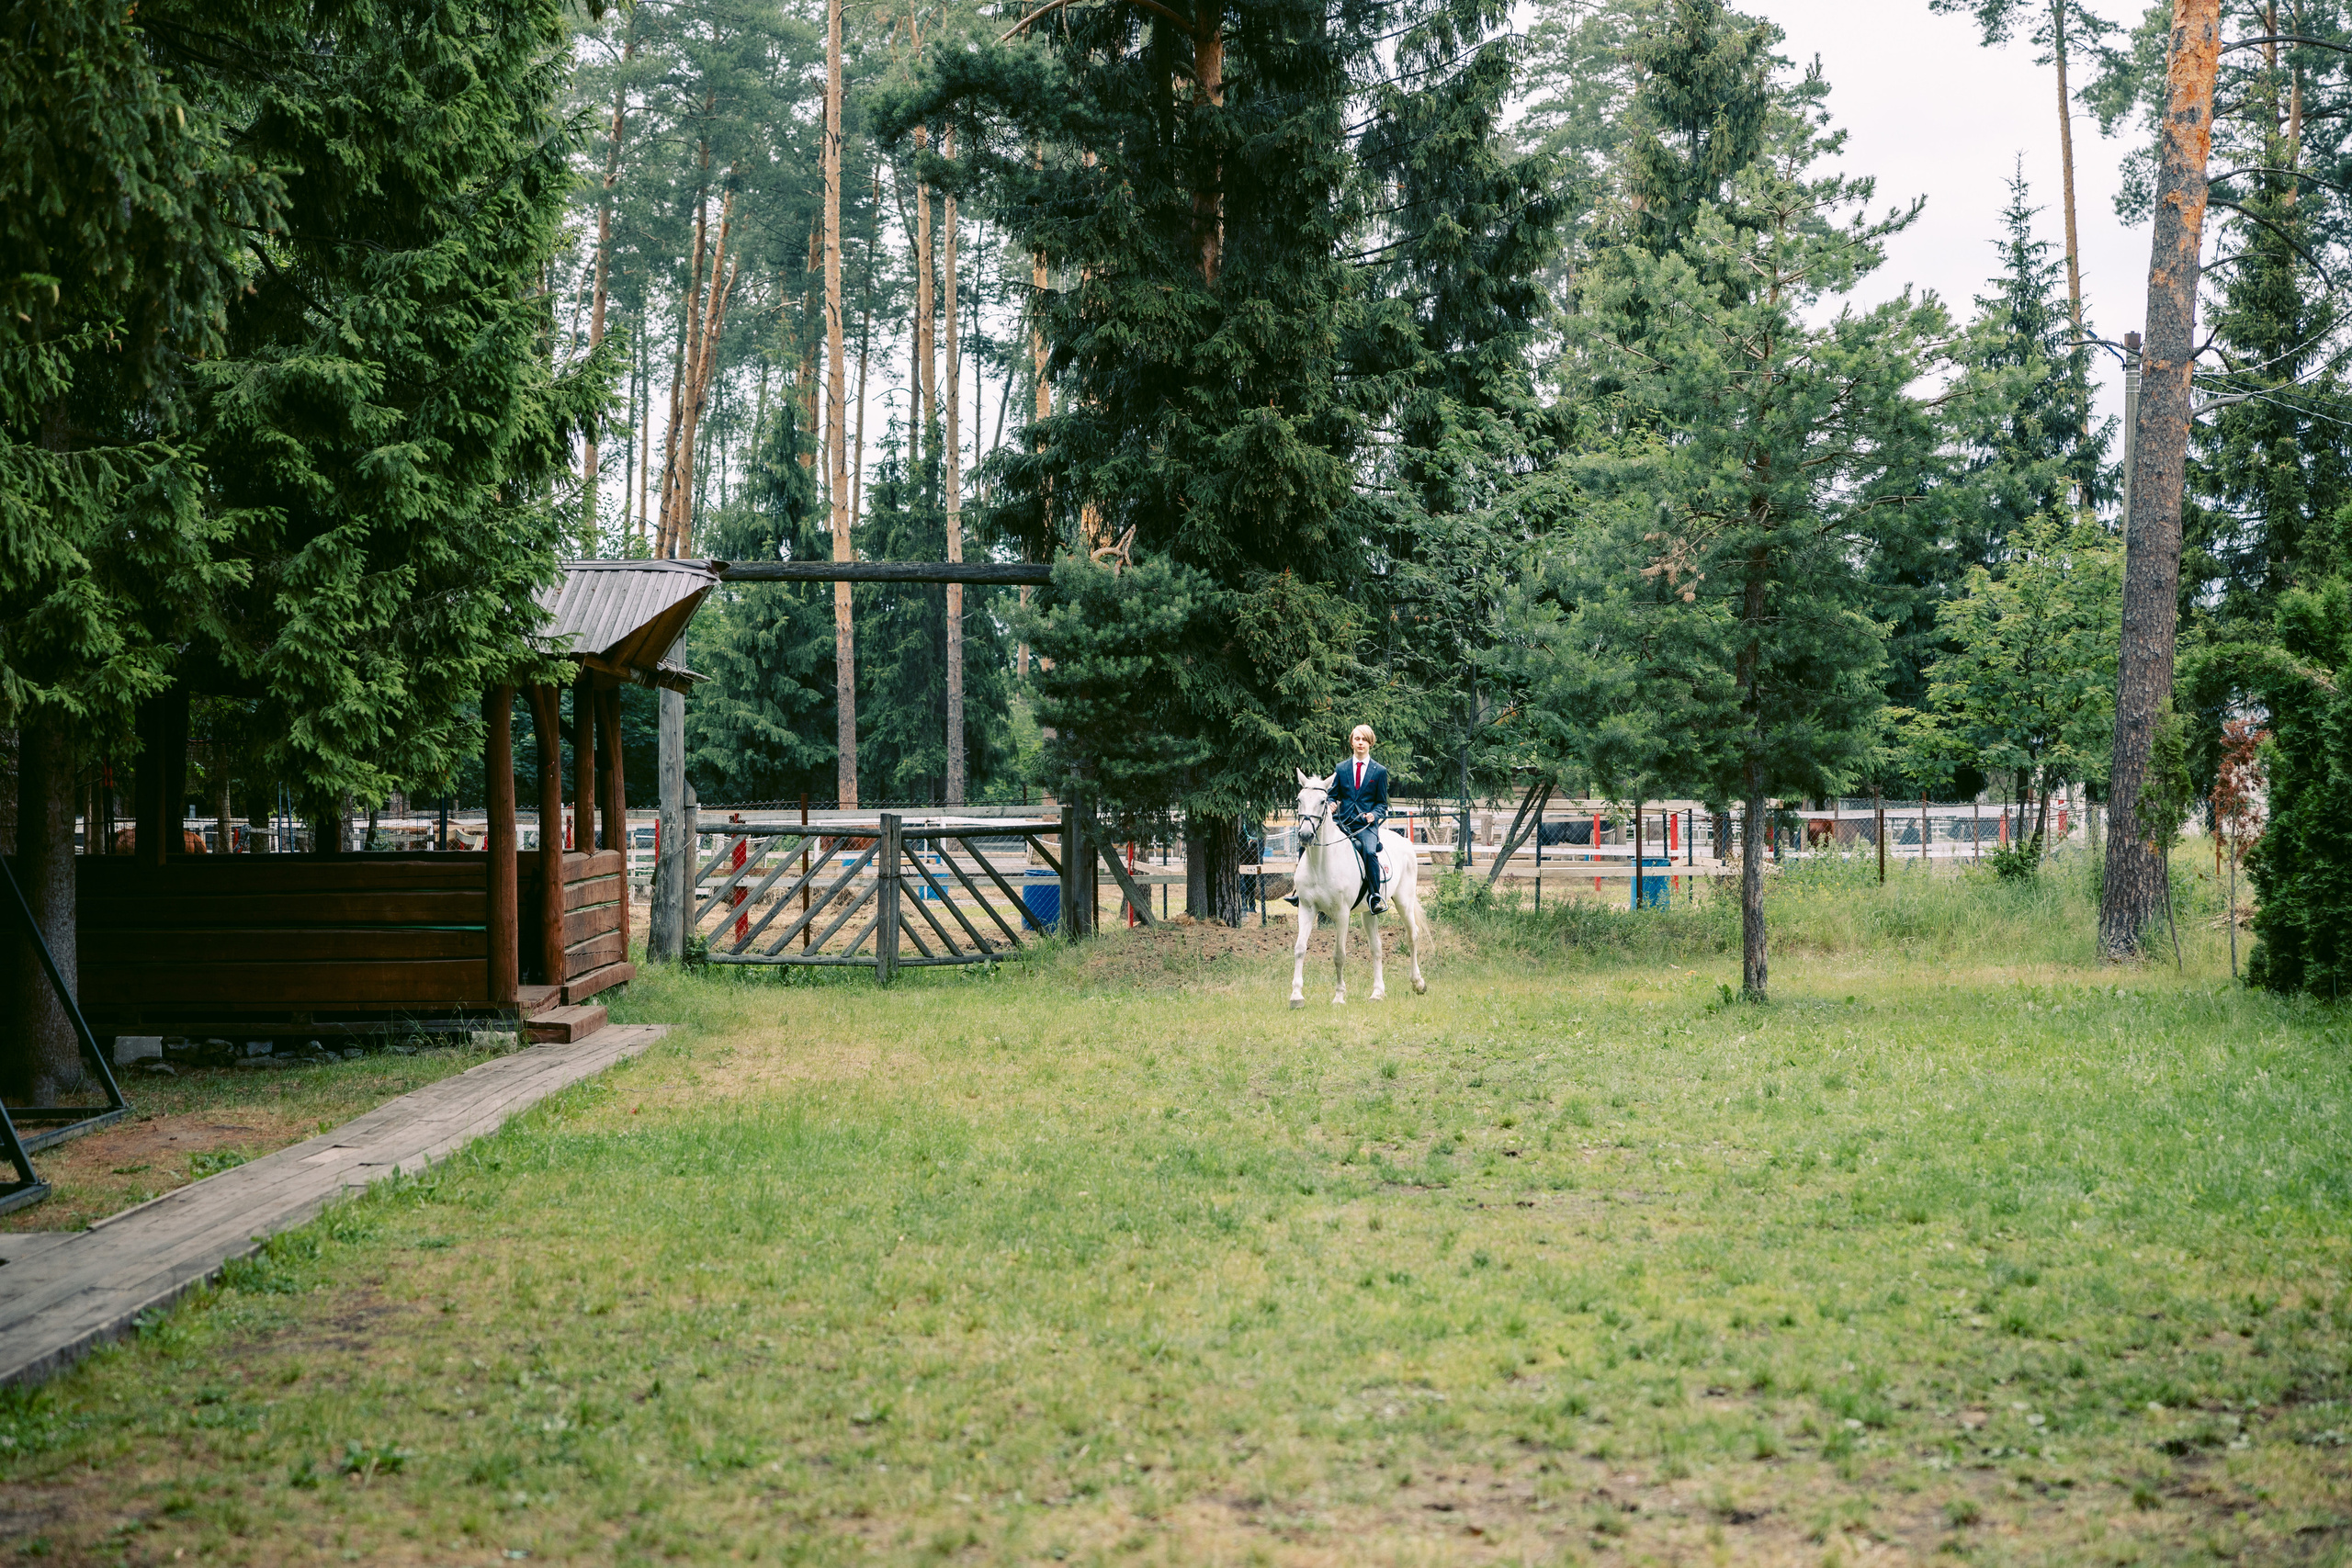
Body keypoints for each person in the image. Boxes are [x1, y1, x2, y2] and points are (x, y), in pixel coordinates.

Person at [1330, 724, 1389, 914]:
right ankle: (1301, 891)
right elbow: (1333, 795)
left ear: (1370, 742)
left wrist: (1374, 814)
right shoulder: (1341, 768)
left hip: (1365, 825)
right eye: (1357, 739)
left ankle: (1375, 896)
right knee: (1314, 840)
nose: (1360, 742)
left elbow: (1382, 803)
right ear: (1352, 742)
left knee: (1370, 852)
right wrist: (1331, 804)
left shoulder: (1379, 771)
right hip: (1343, 822)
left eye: (1364, 739)